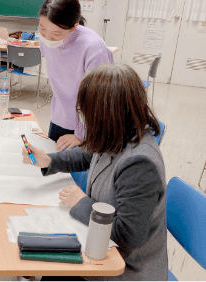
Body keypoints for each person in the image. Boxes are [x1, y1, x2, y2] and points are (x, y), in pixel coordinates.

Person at [22, 64, 167, 281]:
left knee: (49, 269)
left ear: (106, 115)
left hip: (123, 269)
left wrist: (82, 203)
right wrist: (48, 160)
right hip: (99, 248)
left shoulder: (139, 165)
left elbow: (127, 235)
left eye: (86, 112)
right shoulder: (119, 133)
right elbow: (86, 155)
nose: (84, 119)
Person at [36, 0, 113, 151]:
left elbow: (102, 100)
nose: (47, 38)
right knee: (51, 168)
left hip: (87, 125)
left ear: (74, 27)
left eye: (56, 34)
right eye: (42, 29)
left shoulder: (93, 48)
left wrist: (83, 135)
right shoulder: (45, 38)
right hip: (60, 117)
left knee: (74, 173)